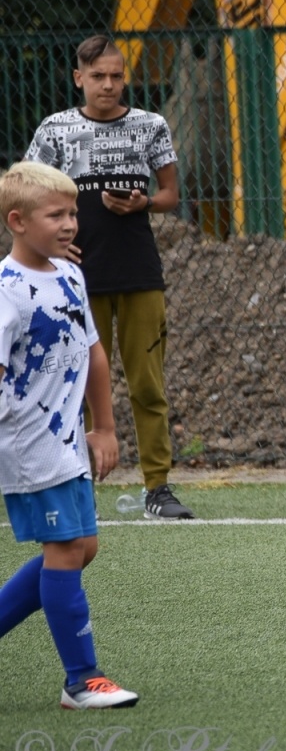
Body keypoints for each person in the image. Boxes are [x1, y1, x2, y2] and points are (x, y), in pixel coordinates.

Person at [24, 35, 191, 520]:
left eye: (117, 76)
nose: (109, 84)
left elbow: (170, 194)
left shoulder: (149, 126)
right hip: (73, 279)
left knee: (147, 386)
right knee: (73, 384)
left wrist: (144, 202)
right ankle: (78, 483)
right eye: (98, 76)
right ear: (79, 78)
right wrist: (49, 244)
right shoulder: (54, 131)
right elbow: (25, 197)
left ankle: (157, 488)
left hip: (139, 273)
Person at [0, 162, 138, 708]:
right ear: (17, 221)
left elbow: (94, 353)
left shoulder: (70, 274)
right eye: (55, 214)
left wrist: (103, 425)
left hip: (67, 438)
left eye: (72, 212)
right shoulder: (6, 291)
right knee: (63, 549)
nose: (69, 224)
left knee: (84, 548)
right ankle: (81, 680)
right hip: (28, 442)